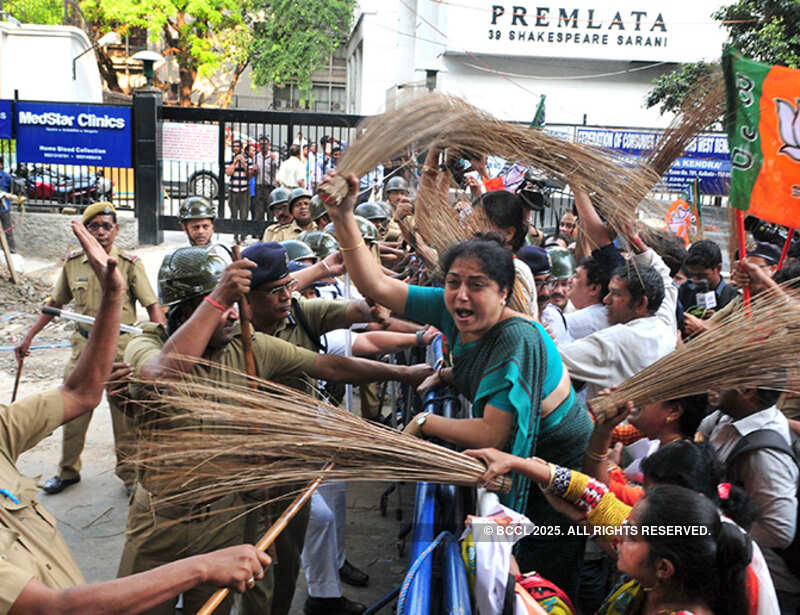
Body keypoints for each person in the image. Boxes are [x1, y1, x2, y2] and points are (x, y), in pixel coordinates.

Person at [321, 170, 592, 597]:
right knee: (496, 559)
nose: (461, 295)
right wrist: (343, 216)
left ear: (504, 293)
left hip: (554, 460)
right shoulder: (451, 307)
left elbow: (492, 433)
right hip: (522, 457)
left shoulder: (517, 339)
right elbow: (377, 285)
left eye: (477, 285)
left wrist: (425, 422)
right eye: (453, 282)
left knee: (539, 564)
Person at [118, 246, 431, 615]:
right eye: (223, 306)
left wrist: (405, 374)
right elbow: (160, 376)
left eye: (235, 304)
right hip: (161, 520)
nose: (234, 314)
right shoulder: (147, 343)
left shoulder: (249, 346)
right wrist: (220, 297)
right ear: (185, 312)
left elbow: (330, 367)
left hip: (223, 520)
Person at [2, 220, 272, 615]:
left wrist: (113, 296)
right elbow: (55, 608)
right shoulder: (148, 348)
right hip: (159, 517)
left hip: (218, 514)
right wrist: (199, 568)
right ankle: (73, 470)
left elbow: (80, 394)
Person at [468, 450, 754, 615]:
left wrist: (518, 582)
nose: (619, 534)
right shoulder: (660, 577)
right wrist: (517, 463)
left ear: (664, 568)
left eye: (631, 536)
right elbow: (598, 500)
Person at [15, 202, 164, 495]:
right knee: (71, 412)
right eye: (93, 227)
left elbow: (152, 306)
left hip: (120, 348)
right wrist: (29, 336)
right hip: (84, 348)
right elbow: (55, 304)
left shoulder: (129, 264)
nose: (100, 232)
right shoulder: (73, 264)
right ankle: (68, 471)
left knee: (124, 417)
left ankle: (129, 475)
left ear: (116, 230)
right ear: (84, 231)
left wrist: (162, 344)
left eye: (106, 226)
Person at [698, 386, 800, 613]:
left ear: (747, 391)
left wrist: (716, 527)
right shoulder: (723, 419)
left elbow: (779, 530)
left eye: (723, 377)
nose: (711, 383)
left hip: (765, 585)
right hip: (732, 570)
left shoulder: (764, 455)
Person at [558, 233, 678, 401]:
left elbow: (554, 360)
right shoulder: (665, 324)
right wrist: (633, 238)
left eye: (615, 294)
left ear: (640, 303)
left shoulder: (618, 341)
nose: (606, 300)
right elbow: (663, 274)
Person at [680, 240, 739, 336]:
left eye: (702, 276)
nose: (696, 280)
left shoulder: (734, 297)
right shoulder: (685, 291)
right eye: (692, 275)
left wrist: (714, 323)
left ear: (718, 268)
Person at [565, 256, 610, 341]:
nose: (569, 280)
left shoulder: (573, 322)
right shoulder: (607, 315)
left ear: (594, 289)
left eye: (576, 276)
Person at [225, 140, 256, 243]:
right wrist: (235, 162)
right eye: (234, 146)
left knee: (244, 215)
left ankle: (243, 237)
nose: (235, 148)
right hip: (233, 190)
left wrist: (243, 163)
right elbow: (228, 173)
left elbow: (250, 175)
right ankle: (235, 236)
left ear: (241, 148)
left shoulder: (248, 159)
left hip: (244, 190)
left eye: (237, 146)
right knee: (234, 215)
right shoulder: (229, 159)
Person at [254, 135, 279, 222]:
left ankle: (270, 226)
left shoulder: (274, 156)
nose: (263, 146)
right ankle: (259, 229)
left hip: (270, 187)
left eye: (265, 144)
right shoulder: (256, 157)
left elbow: (278, 168)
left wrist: (274, 160)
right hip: (259, 186)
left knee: (270, 210)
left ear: (268, 145)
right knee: (259, 210)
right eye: (261, 144)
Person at [0, 155, 16, 252]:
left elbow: (11, 191)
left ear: (1, 164)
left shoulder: (6, 177)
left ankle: (11, 248)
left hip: (4, 207)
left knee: (7, 228)